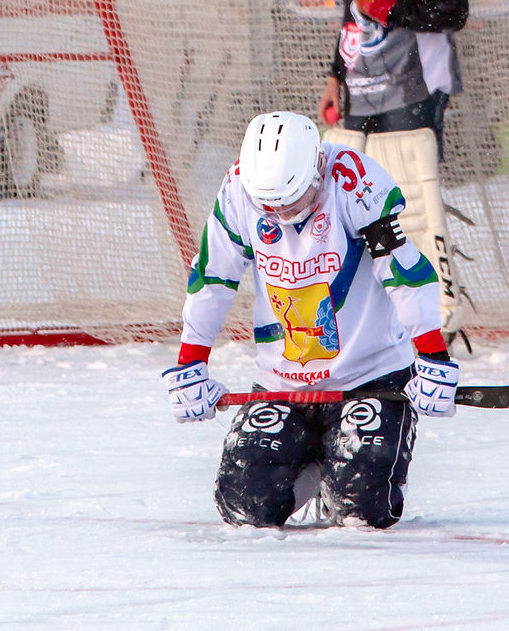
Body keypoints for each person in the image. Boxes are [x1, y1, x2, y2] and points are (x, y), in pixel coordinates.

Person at [162, 111, 459, 528]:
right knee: (244, 505)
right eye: (269, 206)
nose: (281, 215)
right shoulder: (238, 188)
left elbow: (402, 270)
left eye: (292, 201)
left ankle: (346, 464)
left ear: (318, 169)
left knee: (363, 511)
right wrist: (190, 363)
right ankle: (315, 461)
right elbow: (212, 276)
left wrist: (433, 357)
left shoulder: (354, 180)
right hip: (283, 383)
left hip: (369, 377)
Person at [316, 0, 471, 345]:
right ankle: (374, 315)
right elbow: (352, 15)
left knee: (412, 205)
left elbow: (453, 8)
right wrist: (335, 76)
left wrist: (395, 7)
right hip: (361, 91)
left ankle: (436, 314)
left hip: (412, 89)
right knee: (356, 205)